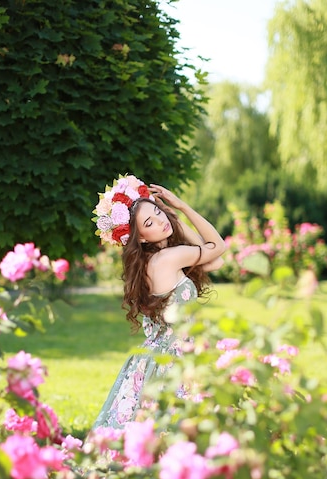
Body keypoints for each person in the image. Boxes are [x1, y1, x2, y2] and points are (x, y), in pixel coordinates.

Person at [91, 174, 226, 431]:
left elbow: (213, 261)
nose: (161, 221)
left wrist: (170, 218)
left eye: (158, 212)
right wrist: (182, 208)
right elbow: (217, 247)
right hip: (178, 358)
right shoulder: (167, 258)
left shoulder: (153, 260)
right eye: (150, 222)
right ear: (140, 238)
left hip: (159, 356)